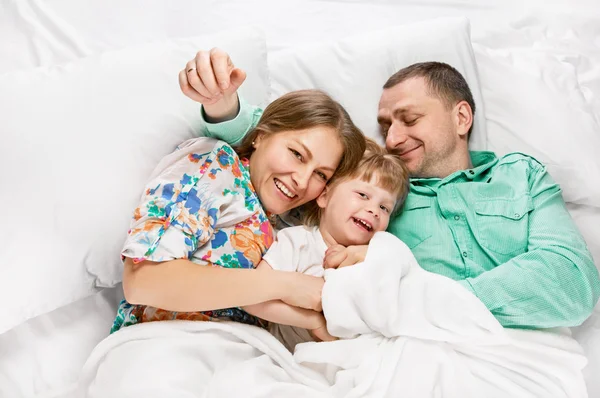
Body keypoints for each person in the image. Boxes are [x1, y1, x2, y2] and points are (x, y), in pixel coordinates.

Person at [180, 49, 600, 329]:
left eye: (409, 119)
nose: (394, 138)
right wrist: (221, 104)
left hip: (517, 354)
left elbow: (573, 282)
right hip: (410, 356)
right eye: (385, 126)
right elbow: (289, 140)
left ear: (462, 117)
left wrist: (430, 298)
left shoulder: (521, 176)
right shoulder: (372, 186)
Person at [111, 89, 366, 333]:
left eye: (320, 174)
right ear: (261, 135)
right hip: (166, 342)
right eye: (297, 154)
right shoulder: (217, 166)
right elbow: (142, 281)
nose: (302, 180)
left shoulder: (288, 227)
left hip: (246, 357)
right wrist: (286, 285)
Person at [242, 139, 409, 351]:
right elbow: (253, 300)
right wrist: (313, 321)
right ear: (324, 196)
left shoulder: (378, 255)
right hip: (295, 356)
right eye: (363, 195)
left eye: (385, 208)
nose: (374, 211)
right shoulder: (297, 242)